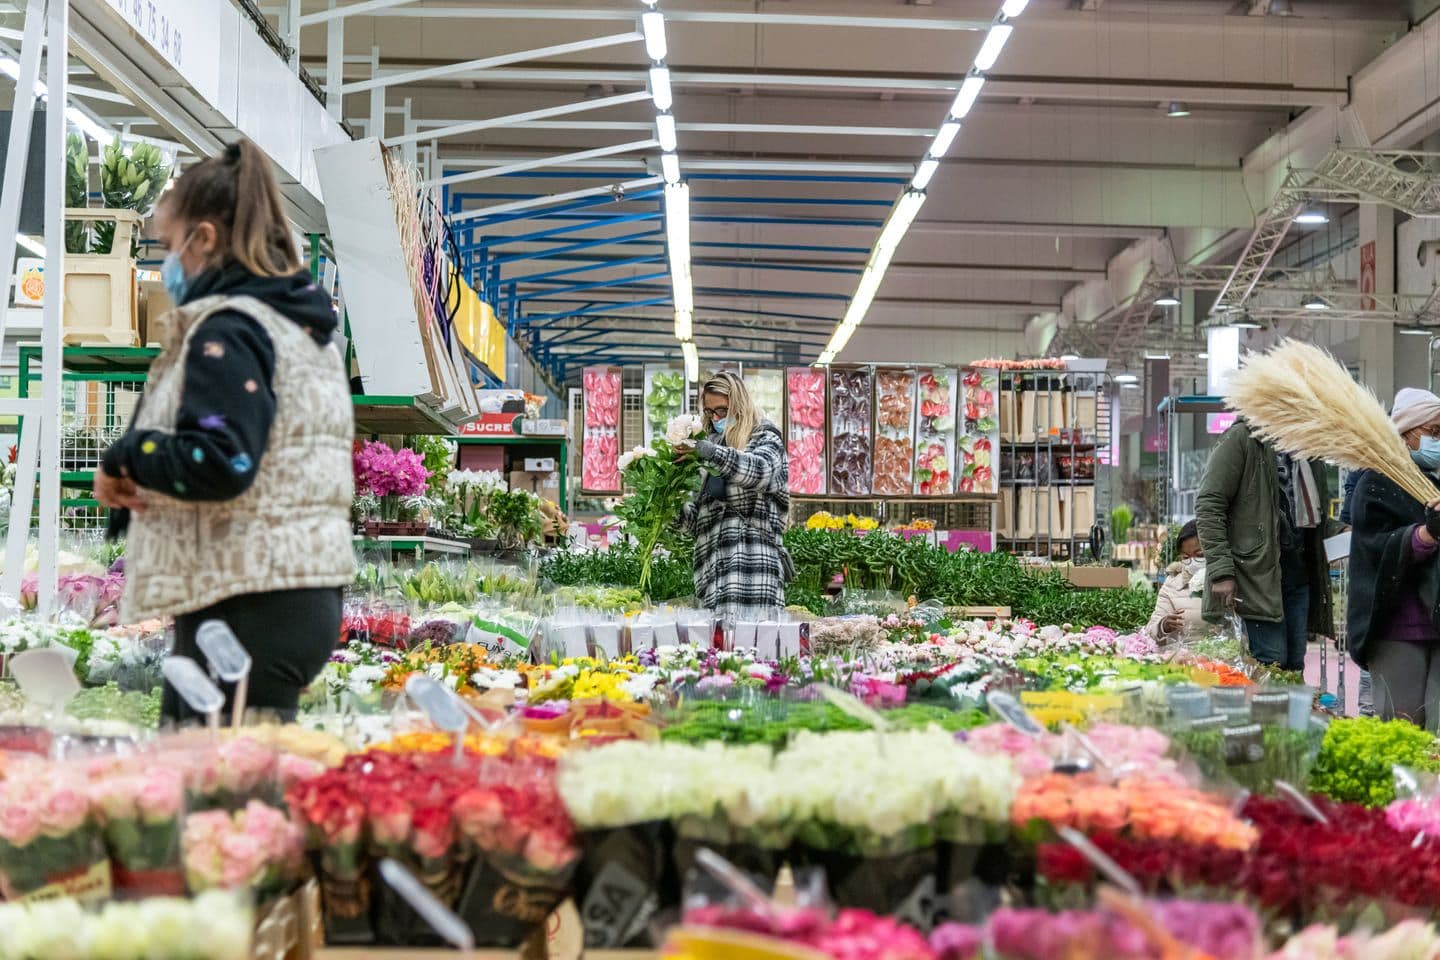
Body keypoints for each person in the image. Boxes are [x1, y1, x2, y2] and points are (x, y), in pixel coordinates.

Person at [95, 139, 354, 723]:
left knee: (213, 797)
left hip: (247, 602)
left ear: (205, 239)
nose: (168, 263)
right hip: (285, 592)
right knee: (241, 795)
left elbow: (222, 461)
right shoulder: (296, 326)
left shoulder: (229, 330)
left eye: (169, 246)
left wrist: (127, 457)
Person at [1195, 418, 1335, 672]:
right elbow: (1209, 504)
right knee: (1271, 661)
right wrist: (1221, 570)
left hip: (1298, 573)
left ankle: (1286, 711)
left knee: (1294, 662)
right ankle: (1266, 711)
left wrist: (1342, 532)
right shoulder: (1243, 438)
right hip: (1255, 577)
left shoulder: (1306, 447)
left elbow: (1313, 516)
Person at [1348, 387, 1440, 727]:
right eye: (1433, 433)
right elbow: (1374, 549)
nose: (1438, 441)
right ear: (1405, 434)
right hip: (1397, 630)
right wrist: (1426, 535)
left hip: (1437, 625)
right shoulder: (1375, 485)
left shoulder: (1431, 484)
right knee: (1403, 729)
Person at [678, 372, 792, 616]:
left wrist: (711, 452)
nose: (716, 418)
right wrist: (665, 502)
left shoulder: (765, 437)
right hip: (712, 579)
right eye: (710, 412)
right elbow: (696, 523)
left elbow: (759, 472)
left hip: (752, 576)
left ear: (740, 405)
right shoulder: (709, 446)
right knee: (716, 653)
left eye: (722, 410)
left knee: (754, 650)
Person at [1144, 521, 1206, 644]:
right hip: (1186, 658)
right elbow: (1151, 630)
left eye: (1199, 555)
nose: (1193, 561)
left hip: (1227, 656)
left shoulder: (1227, 582)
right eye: (1186, 557)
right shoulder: (1172, 585)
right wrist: (1163, 625)